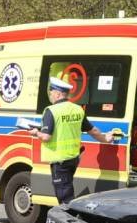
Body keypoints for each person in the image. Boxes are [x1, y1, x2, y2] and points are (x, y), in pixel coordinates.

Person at [33, 76, 114, 205]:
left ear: (58, 94)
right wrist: (106, 139)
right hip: (73, 158)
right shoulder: (77, 109)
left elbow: (46, 137)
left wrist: (36, 132)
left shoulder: (51, 111)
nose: (50, 95)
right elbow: (92, 130)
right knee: (67, 188)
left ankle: (71, 216)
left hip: (59, 160)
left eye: (51, 92)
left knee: (64, 197)